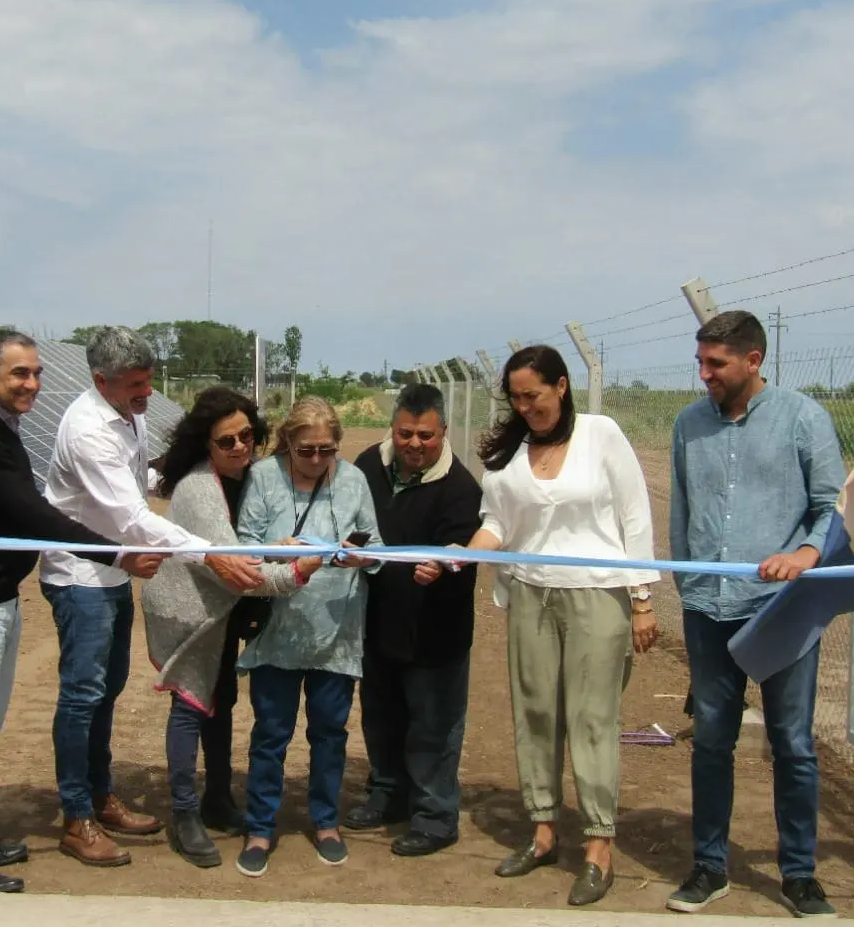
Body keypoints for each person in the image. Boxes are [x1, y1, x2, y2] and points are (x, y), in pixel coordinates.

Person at [0, 328, 165, 893]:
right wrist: (118, 553)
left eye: (36, 372)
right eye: (18, 374)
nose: (31, 383)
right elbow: (33, 513)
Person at [39, 327, 264, 867]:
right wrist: (209, 552)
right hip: (80, 578)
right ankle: (77, 816)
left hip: (115, 572)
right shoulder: (88, 431)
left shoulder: (127, 413)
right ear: (102, 381)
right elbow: (133, 518)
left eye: (149, 379)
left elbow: (140, 485)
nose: (148, 391)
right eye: (137, 383)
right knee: (82, 695)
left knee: (106, 691)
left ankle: (99, 795)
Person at [454, 344, 660, 907]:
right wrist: (465, 554)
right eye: (516, 398)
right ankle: (543, 829)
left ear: (562, 386)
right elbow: (497, 521)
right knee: (536, 713)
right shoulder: (508, 452)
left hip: (598, 594)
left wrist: (642, 598)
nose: (525, 407)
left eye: (534, 395)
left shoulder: (601, 434)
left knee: (593, 718)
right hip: (530, 594)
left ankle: (598, 844)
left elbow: (634, 515)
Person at [666, 311, 845, 919]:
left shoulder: (804, 418)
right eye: (701, 362)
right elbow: (682, 515)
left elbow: (832, 507)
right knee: (712, 740)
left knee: (791, 742)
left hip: (781, 613)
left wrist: (803, 554)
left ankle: (799, 874)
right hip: (707, 609)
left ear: (753, 359)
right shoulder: (688, 424)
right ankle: (709, 866)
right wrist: (687, 584)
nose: (704, 374)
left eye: (715, 363)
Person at [141, 387, 325, 868]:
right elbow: (243, 574)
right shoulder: (200, 490)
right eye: (227, 441)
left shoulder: (243, 479)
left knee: (219, 703)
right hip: (187, 614)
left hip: (216, 611)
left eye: (247, 435)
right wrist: (302, 567)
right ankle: (184, 816)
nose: (241, 447)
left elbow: (248, 547)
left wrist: (276, 545)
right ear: (207, 445)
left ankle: (217, 799)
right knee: (191, 705)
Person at [232, 396, 382, 878]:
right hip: (278, 630)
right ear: (287, 444)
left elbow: (377, 548)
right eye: (306, 450)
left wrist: (360, 557)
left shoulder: (354, 480)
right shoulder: (262, 478)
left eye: (326, 450)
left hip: (337, 630)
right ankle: (259, 827)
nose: (317, 459)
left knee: (329, 734)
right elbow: (242, 546)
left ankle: (326, 823)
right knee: (271, 734)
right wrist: (277, 549)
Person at [347, 383, 481, 857]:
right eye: (405, 434)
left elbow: (464, 560)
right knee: (381, 716)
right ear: (393, 428)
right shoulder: (366, 467)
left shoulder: (462, 490)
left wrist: (442, 568)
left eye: (426, 435)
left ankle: (436, 815)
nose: (415, 445)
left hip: (435, 630)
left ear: (443, 431)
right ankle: (387, 795)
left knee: (433, 725)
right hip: (378, 621)